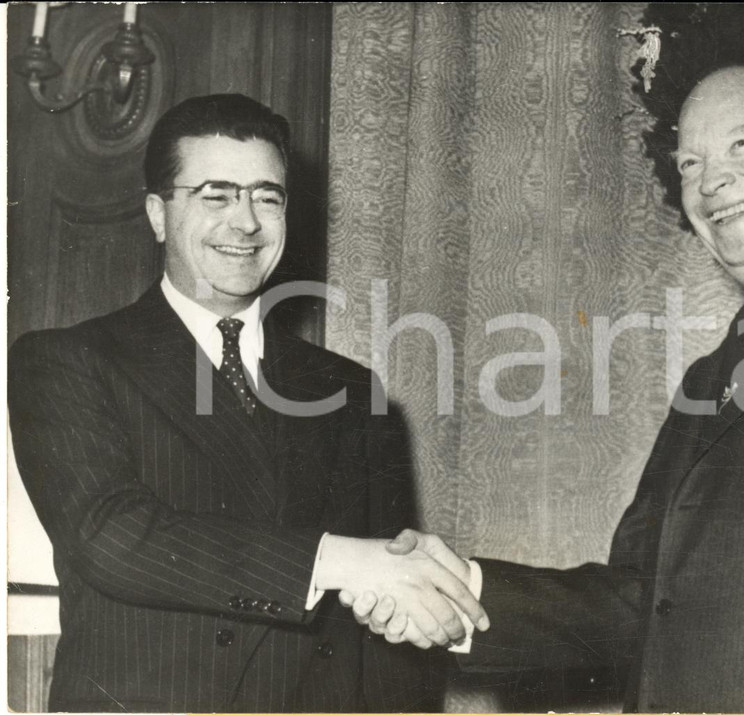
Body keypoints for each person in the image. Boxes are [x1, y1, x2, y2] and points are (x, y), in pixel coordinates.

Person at [350, 66, 744, 713]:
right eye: (689, 163)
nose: (711, 181)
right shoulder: (711, 376)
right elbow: (644, 600)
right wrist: (459, 590)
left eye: (742, 145)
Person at [7, 94, 487, 713]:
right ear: (158, 214)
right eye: (215, 195)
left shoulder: (350, 389)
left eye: (267, 196)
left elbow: (386, 636)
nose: (246, 223)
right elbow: (113, 538)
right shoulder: (68, 359)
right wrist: (342, 561)